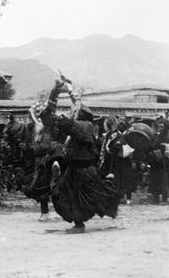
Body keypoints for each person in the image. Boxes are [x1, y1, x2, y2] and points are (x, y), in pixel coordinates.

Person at [40, 79, 123, 234]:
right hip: (77, 169)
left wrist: (56, 93)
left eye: (74, 112)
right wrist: (61, 92)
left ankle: (79, 225)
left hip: (83, 171)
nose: (72, 113)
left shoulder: (82, 127)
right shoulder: (84, 126)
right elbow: (50, 117)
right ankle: (80, 223)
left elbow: (52, 119)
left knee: (76, 197)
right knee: (71, 195)